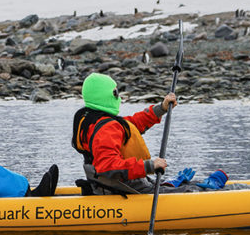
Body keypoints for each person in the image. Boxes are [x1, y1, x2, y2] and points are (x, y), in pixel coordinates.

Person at [71, 72, 209, 194]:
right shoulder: (106, 129)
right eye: (115, 93)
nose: (119, 97)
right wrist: (149, 165)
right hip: (122, 187)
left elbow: (133, 124)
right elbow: (108, 167)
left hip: (114, 185)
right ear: (107, 96)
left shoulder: (92, 121)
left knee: (185, 185)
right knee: (191, 190)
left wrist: (161, 108)